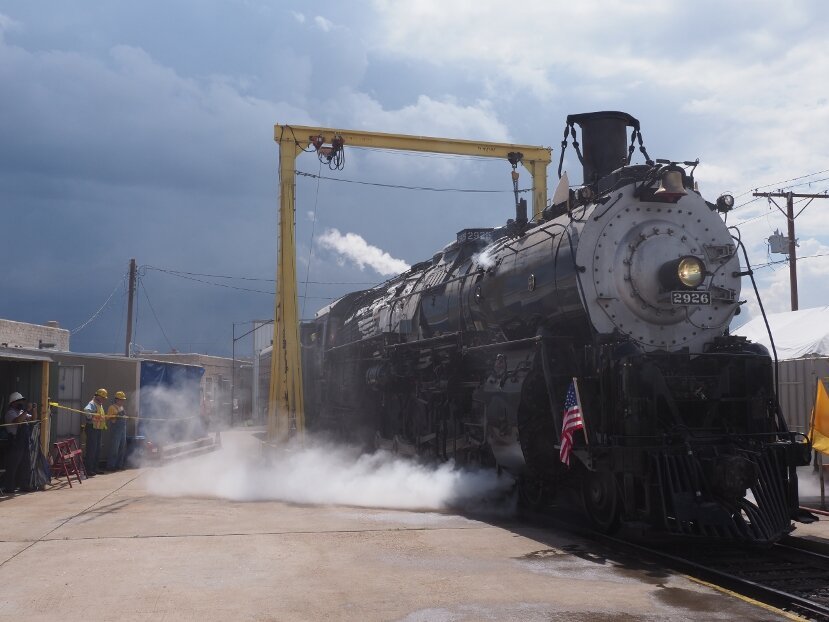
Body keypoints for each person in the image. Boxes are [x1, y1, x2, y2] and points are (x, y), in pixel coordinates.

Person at [2, 392, 34, 493]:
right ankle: (9, 487)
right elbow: (18, 421)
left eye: (21, 401)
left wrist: (34, 409)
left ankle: (24, 485)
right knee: (13, 465)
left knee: (25, 463)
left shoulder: (21, 411)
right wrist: (26, 410)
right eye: (18, 401)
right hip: (15, 442)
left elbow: (34, 418)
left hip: (23, 441)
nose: (21, 402)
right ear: (13, 403)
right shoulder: (10, 413)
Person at [83, 388, 108, 476]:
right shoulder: (92, 403)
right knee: (91, 449)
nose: (104, 399)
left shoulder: (99, 404)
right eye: (103, 397)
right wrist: (91, 417)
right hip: (92, 429)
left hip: (97, 429)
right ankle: (89, 469)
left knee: (97, 449)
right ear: (98, 396)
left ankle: (95, 468)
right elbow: (86, 410)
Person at [105, 391, 128, 471]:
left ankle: (119, 465)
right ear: (117, 399)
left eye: (123, 400)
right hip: (116, 430)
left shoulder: (121, 407)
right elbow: (108, 418)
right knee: (114, 448)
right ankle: (111, 466)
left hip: (123, 430)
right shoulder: (112, 407)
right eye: (121, 400)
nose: (122, 401)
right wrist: (116, 417)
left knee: (122, 448)